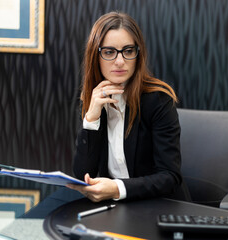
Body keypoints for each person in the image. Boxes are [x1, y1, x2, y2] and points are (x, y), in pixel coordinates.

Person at [67, 11, 190, 203]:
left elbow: (170, 177)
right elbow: (84, 175)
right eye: (109, 52)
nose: (120, 61)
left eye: (128, 51)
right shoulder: (96, 99)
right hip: (114, 209)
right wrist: (91, 119)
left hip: (160, 208)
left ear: (137, 54)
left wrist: (117, 188)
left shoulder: (158, 100)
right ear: (95, 56)